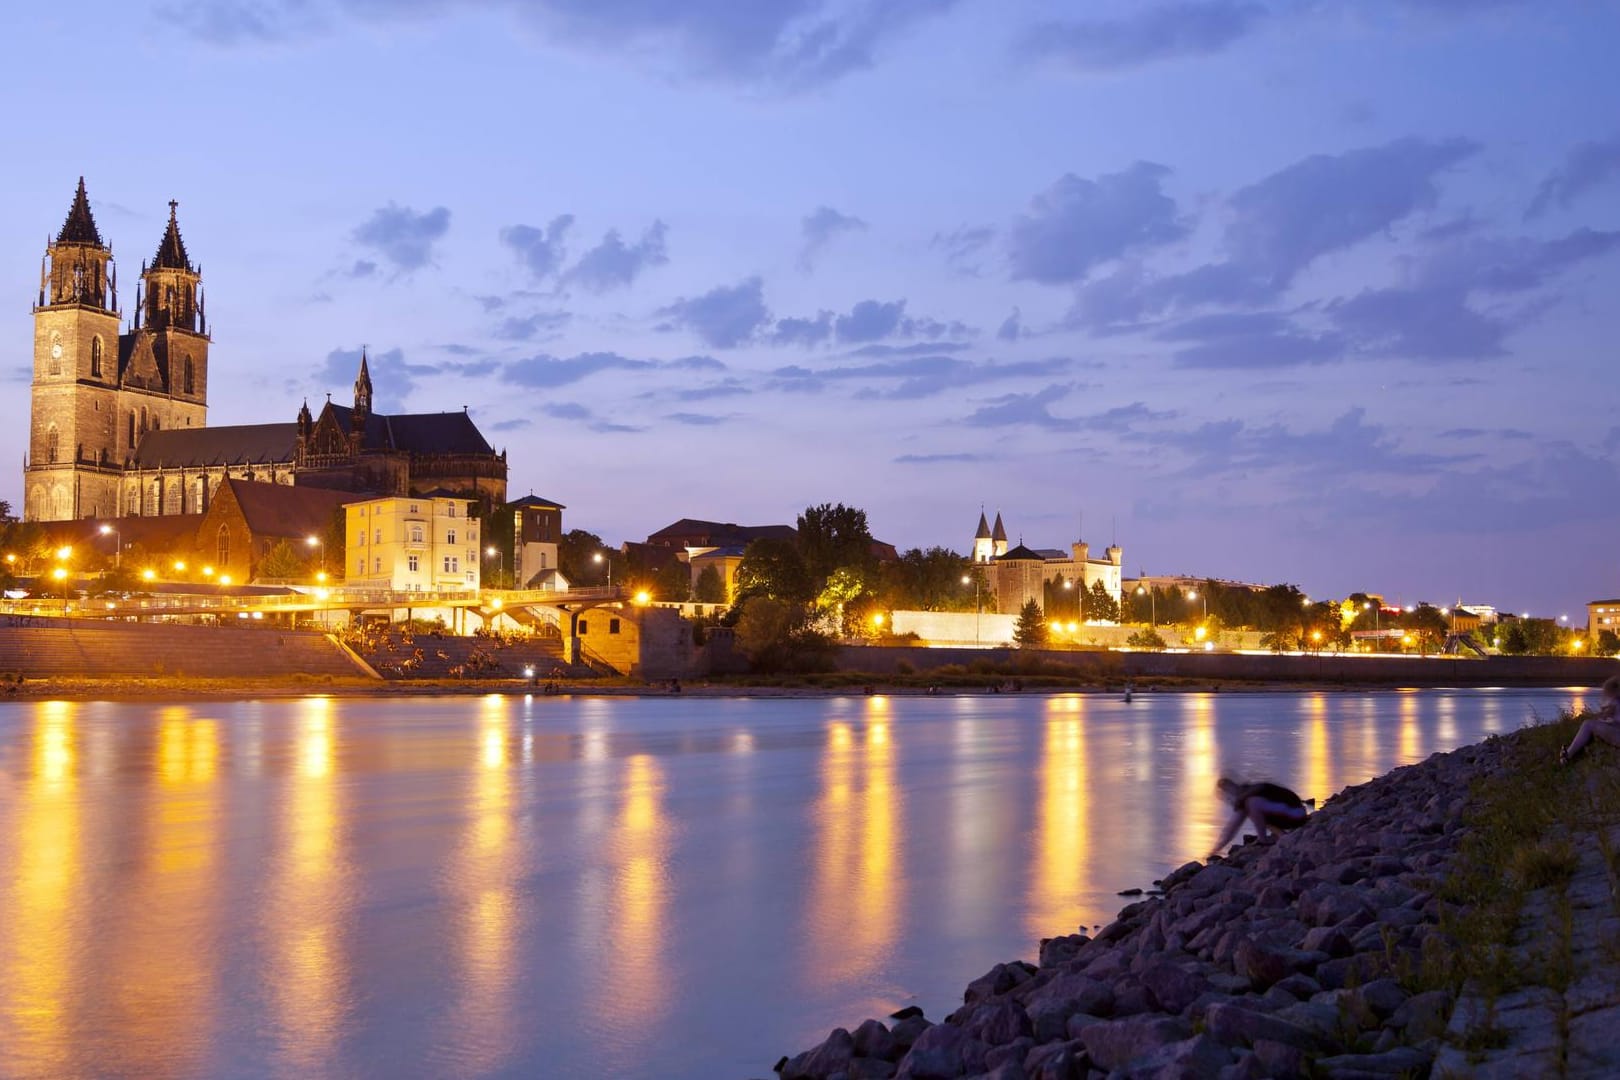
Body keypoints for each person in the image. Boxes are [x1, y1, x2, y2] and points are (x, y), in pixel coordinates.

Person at [1209, 777, 1309, 858]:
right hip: (1293, 815)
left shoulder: (1251, 793)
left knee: (1253, 803)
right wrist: (1212, 852)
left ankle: (1263, 840)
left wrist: (1242, 797)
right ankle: (1281, 836)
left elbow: (1262, 787)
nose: (1229, 799)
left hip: (1296, 814)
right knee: (1257, 811)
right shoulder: (1245, 799)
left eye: (1227, 794)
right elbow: (1231, 829)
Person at [1559, 676, 1620, 765]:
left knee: (1588, 724)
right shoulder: (1616, 702)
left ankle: (1567, 756)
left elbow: (1607, 717)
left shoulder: (1614, 702)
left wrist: (1603, 717)